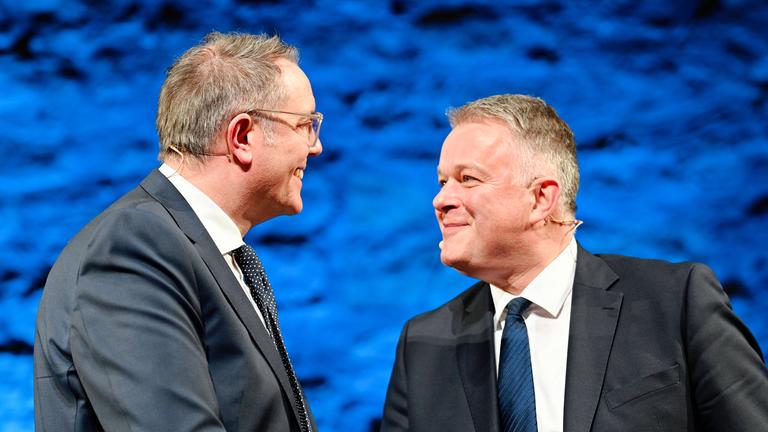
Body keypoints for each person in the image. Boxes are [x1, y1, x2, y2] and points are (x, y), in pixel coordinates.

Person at [380, 94, 768, 432]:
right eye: (442, 181)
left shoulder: (674, 303)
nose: (442, 200)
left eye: (468, 179)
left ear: (541, 199)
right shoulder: (423, 344)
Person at [34, 32, 323, 432]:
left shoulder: (203, 251)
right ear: (242, 137)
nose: (316, 146)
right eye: (306, 124)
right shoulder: (135, 244)